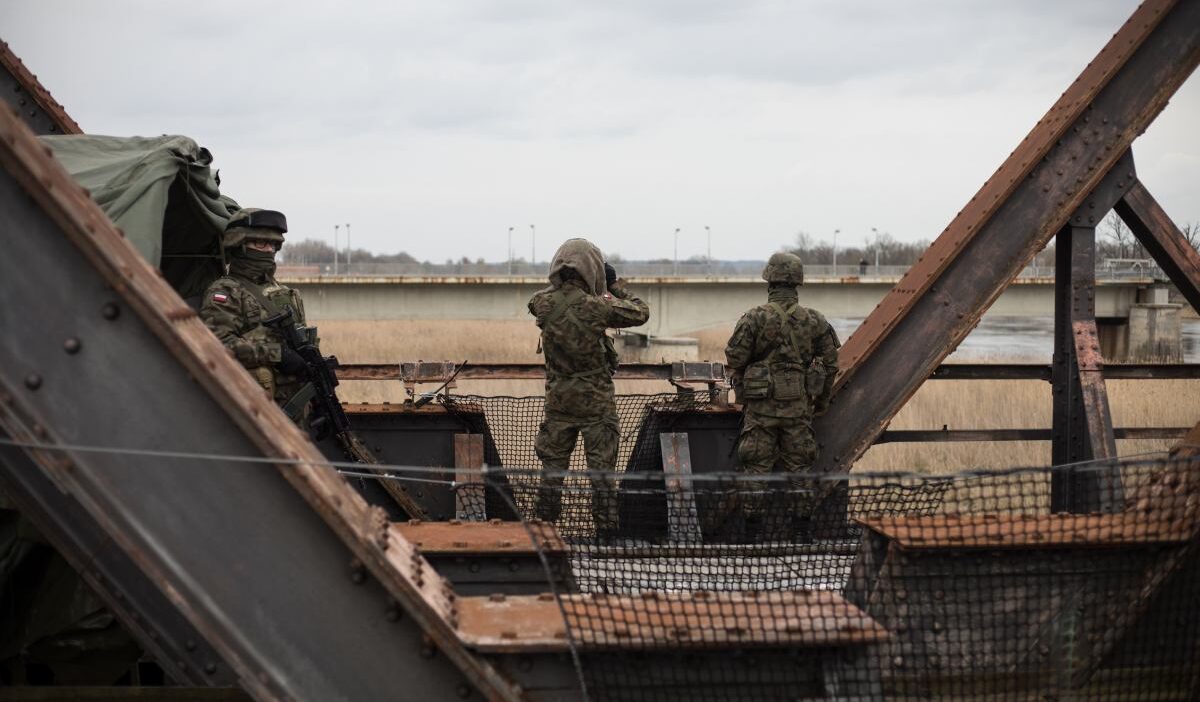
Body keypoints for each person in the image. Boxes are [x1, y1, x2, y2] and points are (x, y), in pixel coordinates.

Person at [528, 239, 650, 534]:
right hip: (596, 404)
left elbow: (537, 299)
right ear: (591, 269)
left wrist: (559, 285)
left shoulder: (542, 303)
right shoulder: (597, 307)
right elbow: (640, 312)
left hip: (559, 402)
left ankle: (544, 532)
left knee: (552, 473)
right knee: (602, 475)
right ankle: (606, 534)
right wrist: (612, 285)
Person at [724, 252, 840, 539]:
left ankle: (752, 535)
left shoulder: (754, 318)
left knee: (755, 466)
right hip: (798, 407)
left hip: (760, 409)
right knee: (799, 467)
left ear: (769, 280)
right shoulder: (815, 321)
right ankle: (801, 533)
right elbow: (831, 364)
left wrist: (744, 387)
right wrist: (821, 401)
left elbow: (735, 358)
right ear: (798, 283)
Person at [200, 208, 317, 428]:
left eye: (273, 245)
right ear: (240, 246)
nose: (268, 250)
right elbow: (216, 345)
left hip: (292, 410)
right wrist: (277, 354)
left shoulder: (285, 293)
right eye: (260, 244)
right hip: (254, 413)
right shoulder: (226, 291)